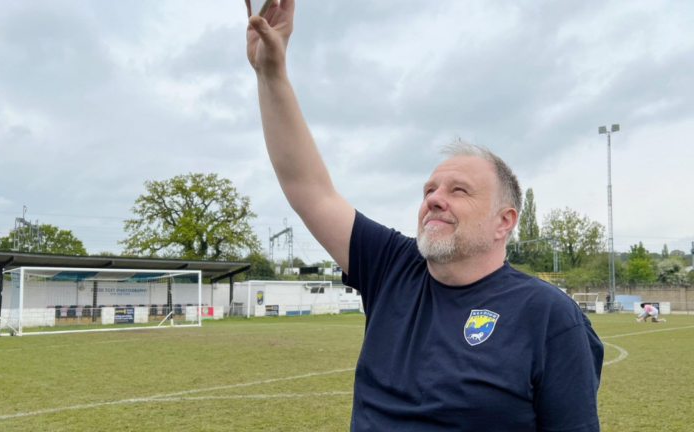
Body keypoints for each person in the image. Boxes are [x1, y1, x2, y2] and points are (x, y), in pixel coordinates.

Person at [244, 1, 604, 430]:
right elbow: (309, 190)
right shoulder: (392, 268)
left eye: (458, 191)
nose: (434, 199)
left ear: (503, 221)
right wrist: (271, 72)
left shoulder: (546, 314)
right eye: (429, 190)